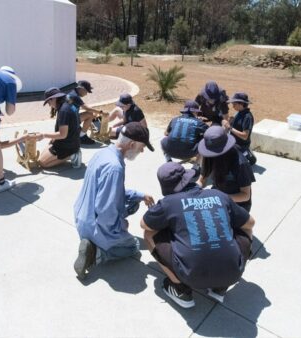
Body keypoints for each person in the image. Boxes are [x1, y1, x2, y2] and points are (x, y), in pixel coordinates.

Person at [141, 162, 255, 308]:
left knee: (149, 234)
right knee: (245, 228)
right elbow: (250, 223)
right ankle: (220, 288)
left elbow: (144, 224)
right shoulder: (219, 195)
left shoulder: (168, 202)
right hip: (233, 274)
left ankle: (181, 290)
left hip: (191, 275)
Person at [73, 122, 155, 280]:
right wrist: (120, 228)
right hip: (95, 224)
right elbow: (106, 210)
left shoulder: (103, 153)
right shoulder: (115, 168)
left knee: (134, 202)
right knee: (133, 247)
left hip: (82, 214)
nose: (142, 151)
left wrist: (139, 195)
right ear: (131, 144)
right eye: (141, 147)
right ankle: (97, 253)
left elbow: (109, 191)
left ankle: (96, 242)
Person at [197, 126, 256, 212]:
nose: (211, 155)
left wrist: (221, 198)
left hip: (237, 205)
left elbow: (245, 195)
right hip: (218, 195)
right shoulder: (209, 156)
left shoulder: (240, 163)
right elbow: (201, 180)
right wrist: (194, 191)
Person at [34, 87, 82, 169]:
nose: (49, 105)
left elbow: (62, 135)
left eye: (49, 102)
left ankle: (72, 155)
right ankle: (73, 151)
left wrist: (43, 135)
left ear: (53, 99)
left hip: (67, 145)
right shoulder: (68, 104)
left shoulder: (63, 110)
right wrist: (53, 138)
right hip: (73, 141)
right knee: (47, 148)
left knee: (42, 162)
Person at [223, 92, 256, 166]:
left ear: (241, 104)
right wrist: (230, 122)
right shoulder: (238, 113)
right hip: (234, 141)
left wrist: (230, 127)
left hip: (241, 144)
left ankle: (247, 153)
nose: (233, 106)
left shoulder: (247, 117)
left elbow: (245, 136)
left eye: (234, 104)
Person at [66, 80, 100, 145]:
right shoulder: (75, 96)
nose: (86, 94)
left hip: (65, 122)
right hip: (69, 123)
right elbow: (86, 108)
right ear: (82, 89)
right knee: (90, 114)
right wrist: (100, 112)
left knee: (89, 113)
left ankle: (78, 132)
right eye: (86, 91)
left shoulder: (72, 93)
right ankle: (81, 137)